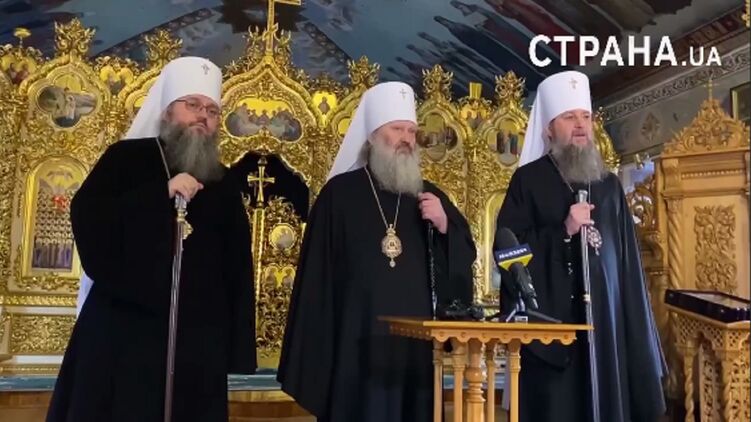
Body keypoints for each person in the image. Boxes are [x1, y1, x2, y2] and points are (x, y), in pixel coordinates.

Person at [48, 56, 256, 422]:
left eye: (212, 110)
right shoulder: (125, 158)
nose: (202, 116)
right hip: (123, 332)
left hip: (197, 340)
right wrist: (160, 194)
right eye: (192, 105)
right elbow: (91, 217)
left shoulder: (223, 182)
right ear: (167, 111)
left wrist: (234, 348)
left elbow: (237, 266)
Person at [277, 81, 476, 422]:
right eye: (397, 129)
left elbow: (463, 257)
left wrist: (445, 226)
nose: (407, 139)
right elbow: (316, 278)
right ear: (371, 136)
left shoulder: (428, 195)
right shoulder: (338, 195)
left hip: (414, 344)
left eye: (411, 131)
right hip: (355, 337)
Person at [495, 70, 666, 422]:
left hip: (607, 327)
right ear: (549, 129)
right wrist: (563, 231)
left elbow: (628, 267)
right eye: (569, 117)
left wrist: (635, 330)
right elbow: (508, 254)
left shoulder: (608, 185)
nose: (580, 125)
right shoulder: (528, 180)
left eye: (586, 117)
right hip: (555, 334)